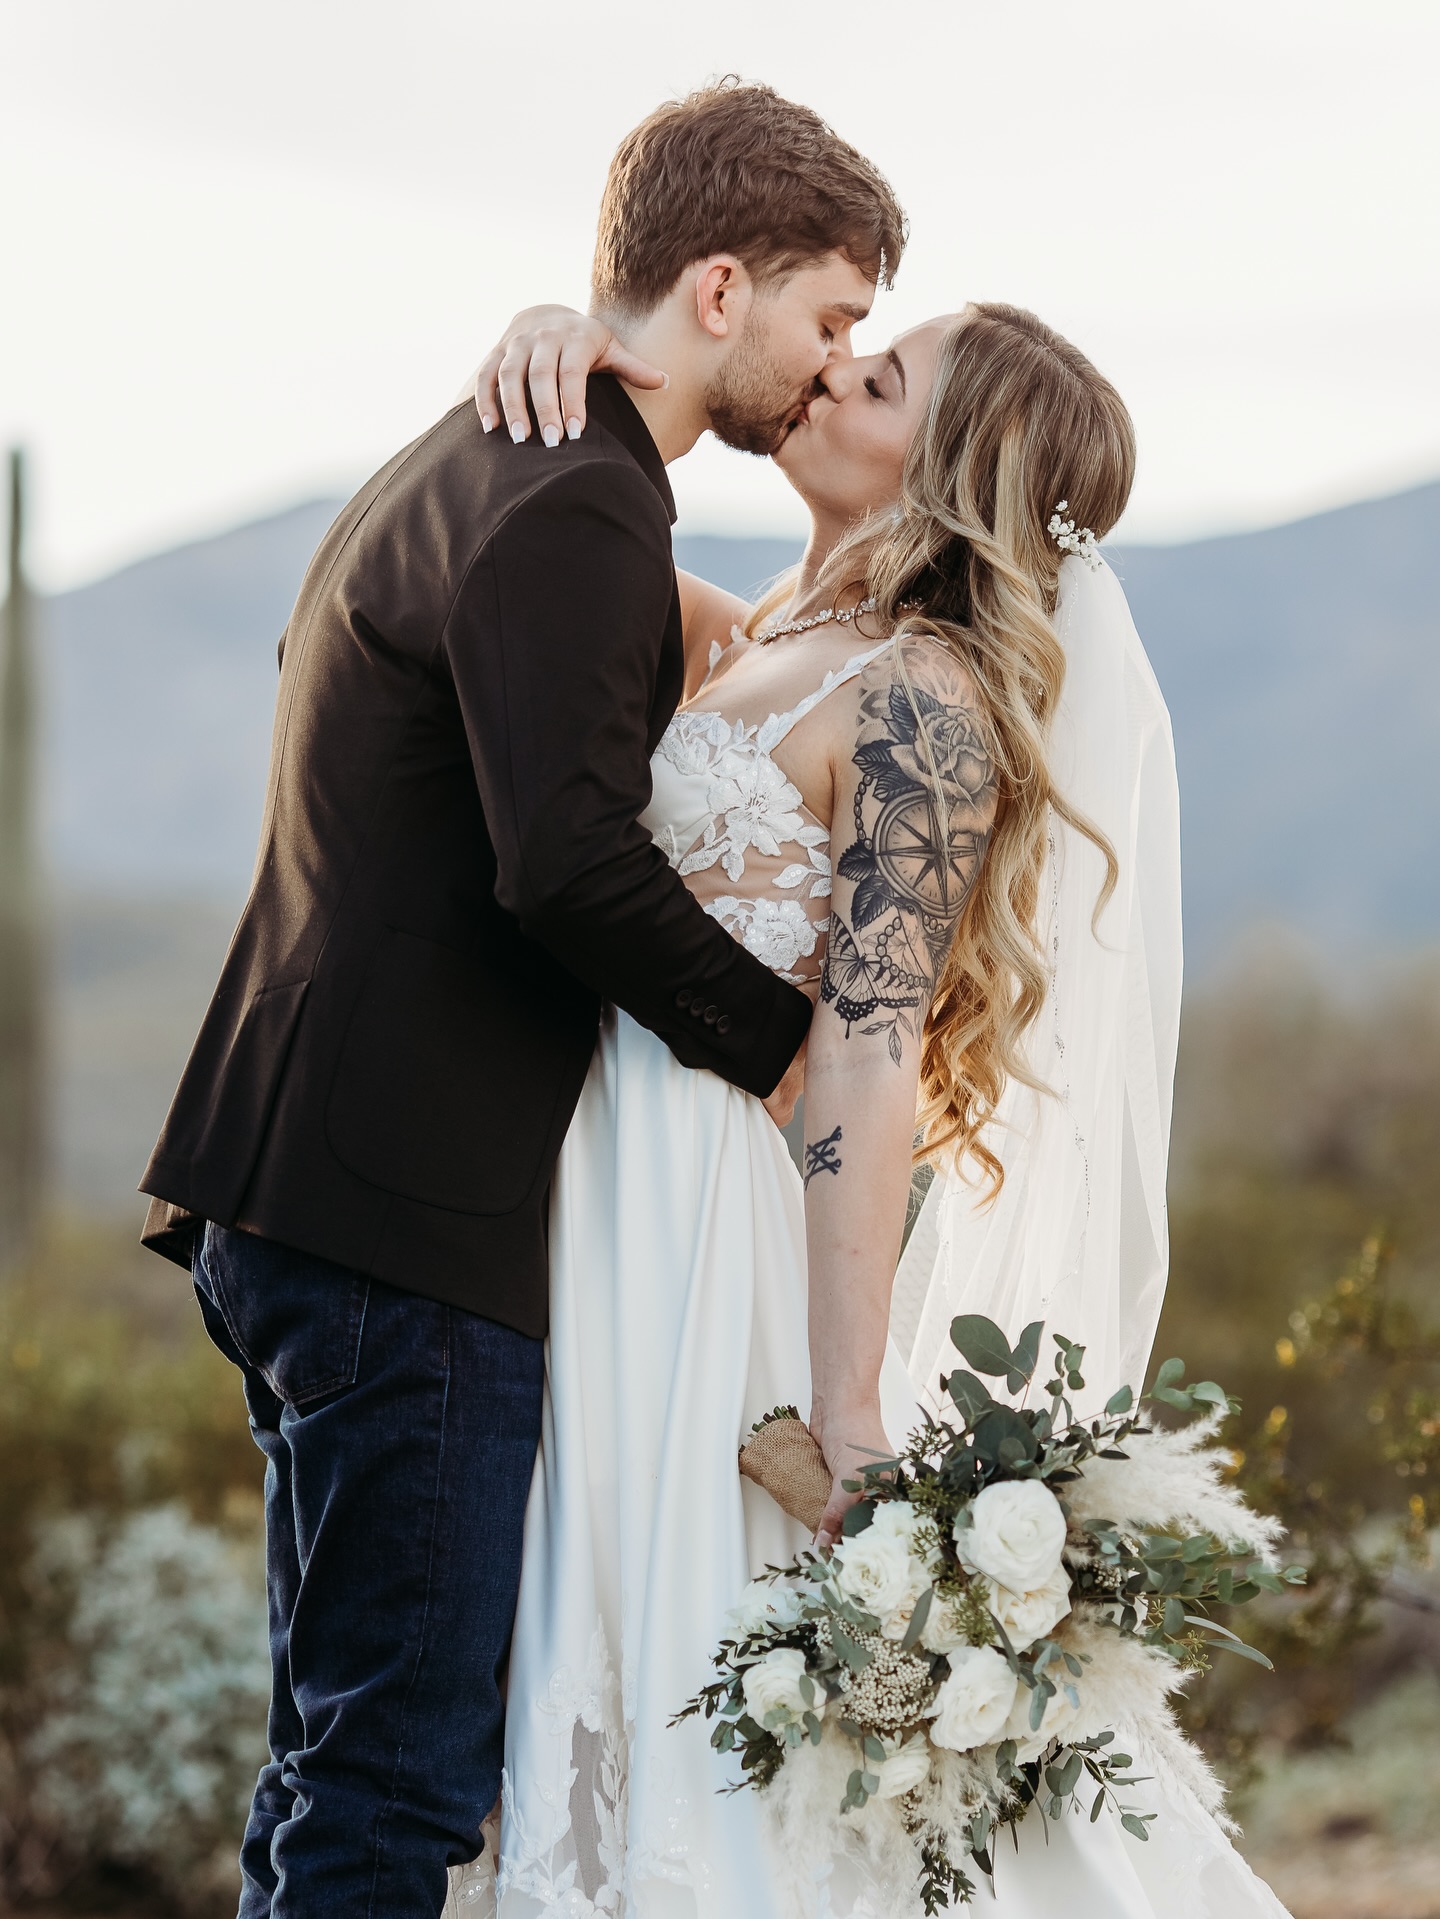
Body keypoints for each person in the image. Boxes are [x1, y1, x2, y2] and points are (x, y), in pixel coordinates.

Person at [136, 81, 907, 1919]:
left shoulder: (498, 459)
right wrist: (790, 1051)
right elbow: (560, 861)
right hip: (409, 1227)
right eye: (829, 319)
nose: (828, 367)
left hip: (311, 1186)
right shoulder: (572, 493)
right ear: (719, 289)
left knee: (339, 1763)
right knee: (395, 1787)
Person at [444, 299, 1294, 1917]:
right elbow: (525, 587)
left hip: (696, 1236)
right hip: (576, 1197)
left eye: (880, 373)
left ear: (952, 467)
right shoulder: (758, 628)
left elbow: (866, 1046)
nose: (831, 369)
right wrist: (570, 336)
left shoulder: (928, 703)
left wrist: (847, 1408)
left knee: (692, 1674)